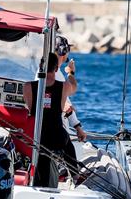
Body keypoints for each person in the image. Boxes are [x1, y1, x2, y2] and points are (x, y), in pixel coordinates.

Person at [22, 52, 77, 188]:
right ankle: (75, 175)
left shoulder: (28, 87)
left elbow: (29, 108)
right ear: (56, 69)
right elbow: (74, 86)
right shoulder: (64, 87)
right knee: (67, 141)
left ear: (41, 66)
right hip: (55, 137)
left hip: (35, 136)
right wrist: (70, 73)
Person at [54, 35, 87, 142]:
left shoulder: (53, 72)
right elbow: (72, 89)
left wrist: (77, 126)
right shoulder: (55, 74)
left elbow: (66, 103)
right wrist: (70, 73)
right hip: (56, 129)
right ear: (63, 52)